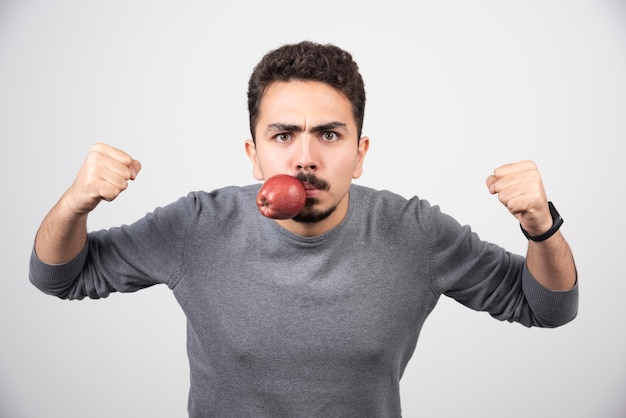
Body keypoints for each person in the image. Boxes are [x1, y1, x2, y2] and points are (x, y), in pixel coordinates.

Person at [29, 41, 578, 417]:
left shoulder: (415, 232)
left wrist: (541, 225)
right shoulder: (196, 225)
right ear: (253, 154)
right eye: (283, 135)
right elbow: (59, 276)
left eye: (330, 135)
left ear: (360, 154)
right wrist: (76, 202)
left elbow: (548, 307)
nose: (305, 158)